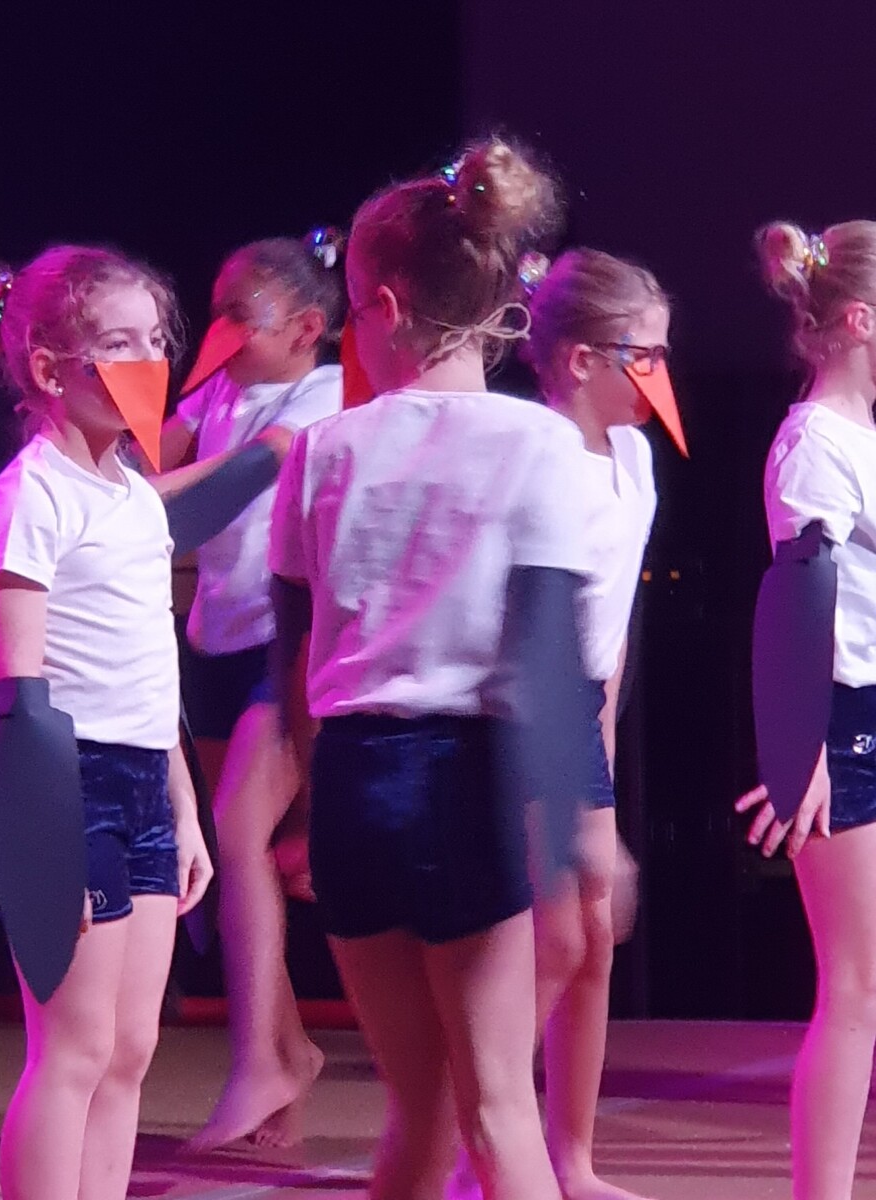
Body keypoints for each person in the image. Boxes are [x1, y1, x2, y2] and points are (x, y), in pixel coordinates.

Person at [269, 140, 593, 1200]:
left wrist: (307, 809)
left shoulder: (323, 448)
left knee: (417, 1106)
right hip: (470, 777)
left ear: (387, 306)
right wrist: (580, 821)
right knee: (497, 1106)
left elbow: (297, 649)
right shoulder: (538, 443)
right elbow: (549, 648)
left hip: (356, 780)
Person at [0, 245, 213, 1200]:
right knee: (72, 1047)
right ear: (47, 367)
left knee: (129, 1047)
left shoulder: (133, 496)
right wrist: (44, 839)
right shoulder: (32, 495)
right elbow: (18, 689)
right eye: (118, 343)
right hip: (66, 788)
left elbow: (153, 676)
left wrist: (183, 809)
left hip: (144, 781)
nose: (147, 361)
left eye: (155, 340)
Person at [450, 248, 672, 1200]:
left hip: (578, 708)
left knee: (591, 934)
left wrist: (603, 762)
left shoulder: (634, 459)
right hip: (519, 706)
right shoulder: (536, 456)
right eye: (643, 355)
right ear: (581, 360)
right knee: (560, 936)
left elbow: (607, 634)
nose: (658, 374)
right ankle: (479, 1148)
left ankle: (570, 1157)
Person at [159, 234, 344, 1150]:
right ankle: (288, 1060)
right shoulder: (218, 391)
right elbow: (145, 452)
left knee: (237, 836)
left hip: (285, 640)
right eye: (217, 312)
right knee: (247, 857)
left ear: (307, 327)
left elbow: (242, 478)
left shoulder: (325, 394)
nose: (223, 331)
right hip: (215, 637)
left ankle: (256, 1064)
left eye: (244, 316)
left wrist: (124, 512)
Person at [737, 220, 876, 1200]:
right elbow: (800, 598)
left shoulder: (860, 437)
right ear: (862, 320)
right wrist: (801, 749)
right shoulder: (812, 444)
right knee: (856, 988)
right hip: (846, 726)